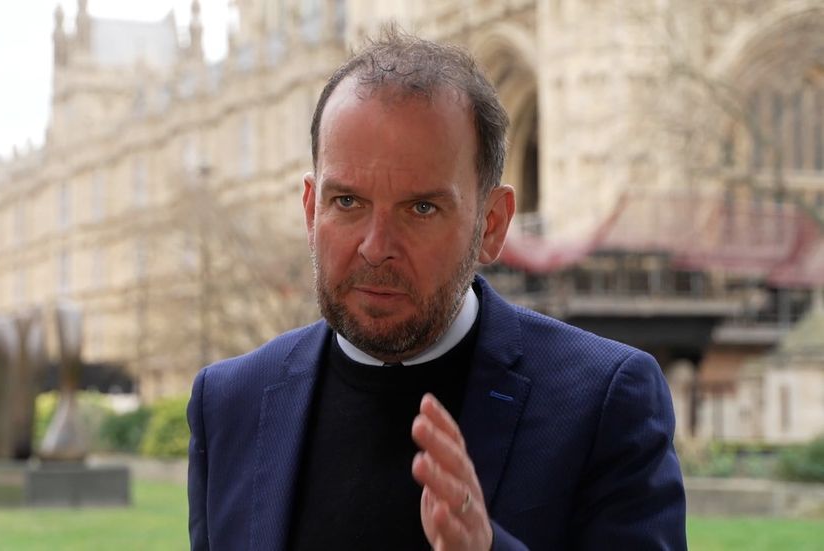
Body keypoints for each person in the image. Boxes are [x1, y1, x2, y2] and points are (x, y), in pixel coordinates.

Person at [187, 29, 686, 551]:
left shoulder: (602, 402)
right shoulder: (228, 403)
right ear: (311, 209)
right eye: (348, 203)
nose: (375, 247)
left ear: (491, 225)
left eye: (421, 208)